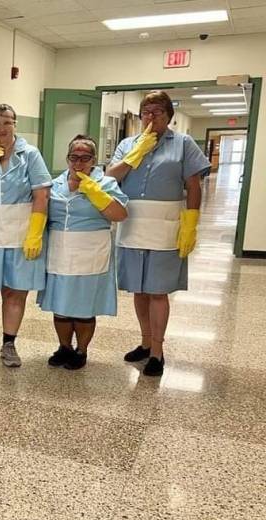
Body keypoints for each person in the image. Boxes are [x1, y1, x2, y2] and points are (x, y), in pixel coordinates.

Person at [106, 91, 210, 376]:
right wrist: (135, 154)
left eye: (157, 113)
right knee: (139, 289)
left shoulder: (183, 144)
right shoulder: (128, 144)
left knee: (157, 291)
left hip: (165, 224)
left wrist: (191, 221)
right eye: (146, 113)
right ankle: (143, 341)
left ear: (168, 117)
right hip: (133, 223)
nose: (151, 118)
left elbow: (194, 185)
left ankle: (157, 351)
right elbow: (111, 176)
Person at [0, 104, 52, 368]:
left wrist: (35, 233)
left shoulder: (30, 155)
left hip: (20, 234)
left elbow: (42, 194)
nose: (1, 129)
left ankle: (9, 344)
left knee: (15, 294)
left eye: (7, 122)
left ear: (15, 125)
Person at [37, 135, 128, 370]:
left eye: (85, 158)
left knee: (84, 307)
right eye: (73, 157)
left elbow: (120, 214)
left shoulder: (106, 183)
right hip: (60, 251)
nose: (78, 163)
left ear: (93, 160)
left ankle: (82, 350)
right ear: (67, 158)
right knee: (61, 305)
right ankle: (64, 347)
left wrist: (96, 193)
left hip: (91, 251)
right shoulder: (54, 184)